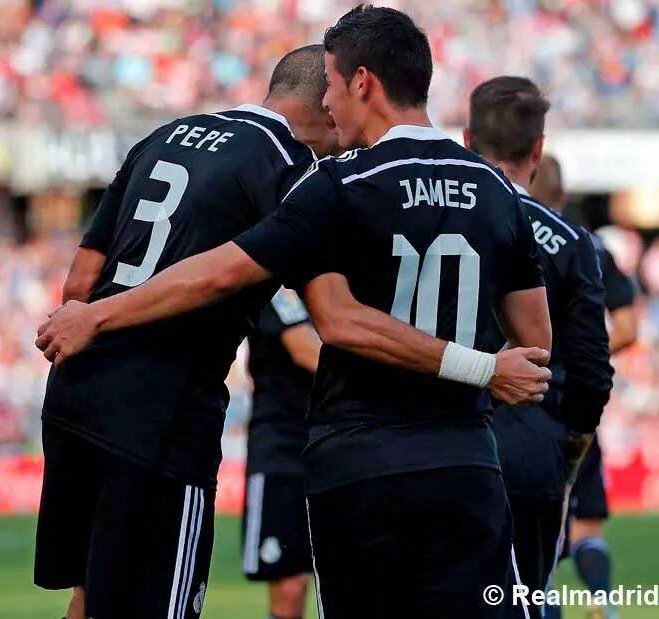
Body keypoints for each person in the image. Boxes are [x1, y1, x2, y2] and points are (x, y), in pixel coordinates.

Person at [36, 6, 554, 617]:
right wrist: (483, 372)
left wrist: (92, 317)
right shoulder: (493, 191)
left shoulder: (315, 177)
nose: (331, 103)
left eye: (335, 84)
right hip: (456, 457)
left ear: (362, 82)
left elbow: (102, 278)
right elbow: (534, 345)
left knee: (91, 595)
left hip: (330, 454)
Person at [34, 45, 342, 619]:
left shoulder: (166, 134)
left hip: (76, 392)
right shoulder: (288, 165)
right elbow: (322, 308)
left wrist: (97, 324)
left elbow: (81, 281)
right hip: (160, 411)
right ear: (327, 105)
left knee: (90, 593)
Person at [464, 77, 614, 617]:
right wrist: (571, 444)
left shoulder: (425, 213)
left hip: (433, 442)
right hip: (530, 447)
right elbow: (592, 370)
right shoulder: (573, 242)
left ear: (465, 140)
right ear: (538, 149)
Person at [532, 155, 638, 619]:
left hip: (522, 400)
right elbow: (629, 326)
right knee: (587, 520)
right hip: (580, 403)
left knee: (532, 546)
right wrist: (585, 354)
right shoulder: (590, 246)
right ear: (563, 193)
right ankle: (601, 601)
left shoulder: (500, 231)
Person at [242, 287, 320, 619]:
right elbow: (306, 351)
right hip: (282, 450)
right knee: (290, 583)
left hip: (332, 447)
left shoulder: (337, 283)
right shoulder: (280, 290)